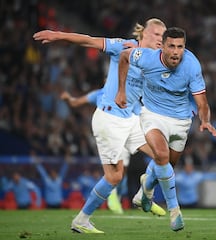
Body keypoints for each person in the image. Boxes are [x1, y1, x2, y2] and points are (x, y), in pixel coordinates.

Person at [33, 18, 167, 233]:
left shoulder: (156, 63)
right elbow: (89, 41)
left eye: (163, 35)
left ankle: (143, 196)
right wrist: (58, 35)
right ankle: (82, 219)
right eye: (156, 34)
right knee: (114, 176)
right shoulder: (124, 46)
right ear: (142, 35)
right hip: (109, 119)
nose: (160, 39)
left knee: (163, 155)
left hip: (130, 119)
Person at [115, 27, 216, 231]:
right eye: (171, 46)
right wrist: (121, 90)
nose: (175, 51)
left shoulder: (191, 65)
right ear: (161, 46)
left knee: (167, 165)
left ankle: (145, 191)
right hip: (152, 115)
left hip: (181, 121)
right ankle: (174, 211)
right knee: (161, 156)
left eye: (180, 47)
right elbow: (124, 56)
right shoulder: (145, 57)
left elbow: (202, 102)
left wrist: (205, 120)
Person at [61, 88, 125, 214]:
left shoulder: (125, 91)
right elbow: (76, 102)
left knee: (117, 174)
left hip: (119, 132)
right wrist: (69, 99)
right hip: (110, 133)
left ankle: (115, 195)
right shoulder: (101, 93)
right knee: (114, 175)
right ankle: (112, 196)